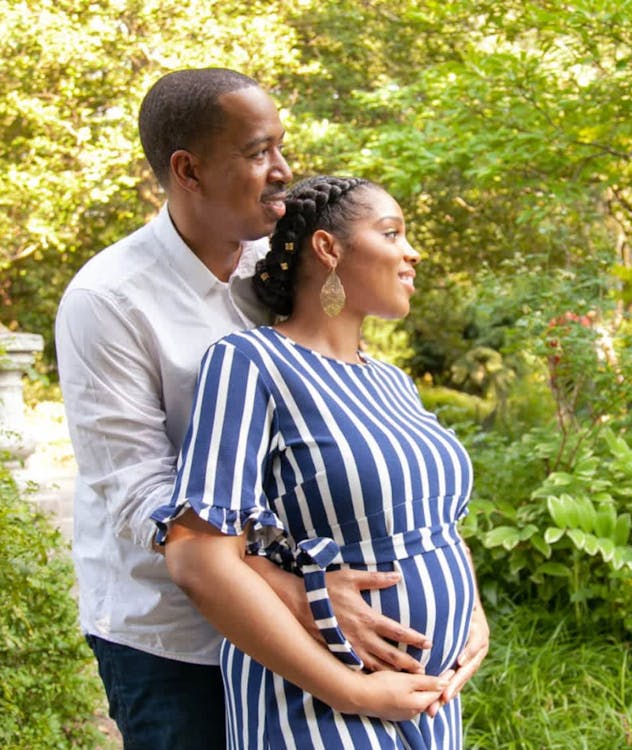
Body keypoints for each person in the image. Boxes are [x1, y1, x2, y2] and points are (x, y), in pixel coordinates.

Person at [55, 69, 438, 750]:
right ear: (189, 170)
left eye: (281, 148)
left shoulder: (284, 266)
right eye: (258, 153)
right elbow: (141, 493)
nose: (283, 171)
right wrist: (303, 592)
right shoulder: (108, 300)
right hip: (172, 640)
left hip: (306, 638)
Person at [152, 175, 490, 748]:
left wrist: (472, 610)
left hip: (430, 699)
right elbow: (198, 561)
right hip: (317, 702)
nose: (413, 252)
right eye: (392, 233)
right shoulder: (250, 363)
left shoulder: (392, 381)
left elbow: (438, 523)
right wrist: (348, 690)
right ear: (328, 249)